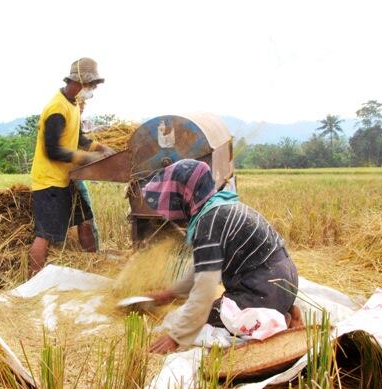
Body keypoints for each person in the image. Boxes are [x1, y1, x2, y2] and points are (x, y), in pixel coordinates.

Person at [141, 159, 301, 354]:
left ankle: (276, 318)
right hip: (285, 279)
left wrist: (177, 337)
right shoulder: (220, 207)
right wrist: (172, 293)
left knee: (210, 315)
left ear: (185, 195)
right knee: (202, 312)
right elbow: (204, 268)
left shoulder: (209, 223)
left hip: (264, 289)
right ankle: (285, 308)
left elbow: (204, 288)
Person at [29, 58, 114, 274]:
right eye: (91, 86)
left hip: (66, 178)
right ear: (79, 83)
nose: (92, 90)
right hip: (49, 183)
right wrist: (86, 159)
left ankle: (95, 268)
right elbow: (53, 150)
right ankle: (32, 286)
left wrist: (99, 147)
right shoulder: (57, 108)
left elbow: (76, 137)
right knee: (45, 235)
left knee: (85, 220)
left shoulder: (73, 104)